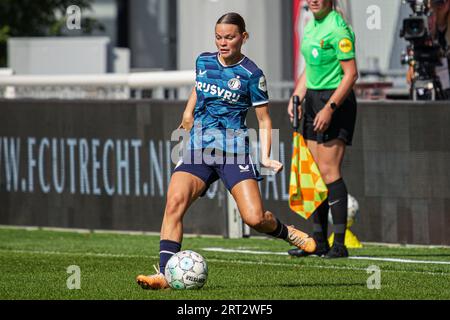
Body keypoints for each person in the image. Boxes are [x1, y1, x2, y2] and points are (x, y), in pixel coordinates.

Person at [136, 12, 317, 290]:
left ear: (243, 38)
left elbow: (264, 120)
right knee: (174, 203)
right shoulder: (204, 61)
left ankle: (287, 232)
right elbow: (199, 88)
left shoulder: (252, 75)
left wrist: (266, 155)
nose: (223, 42)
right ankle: (164, 274)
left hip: (233, 151)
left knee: (254, 218)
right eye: (219, 37)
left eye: (230, 37)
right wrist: (187, 111)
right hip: (199, 147)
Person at [287, 0, 358, 258]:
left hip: (335, 100)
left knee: (329, 171)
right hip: (313, 98)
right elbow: (310, 67)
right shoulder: (312, 24)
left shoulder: (338, 28)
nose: (313, 1)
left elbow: (350, 74)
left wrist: (330, 108)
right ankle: (318, 241)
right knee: (314, 172)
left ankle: (339, 245)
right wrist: (297, 96)